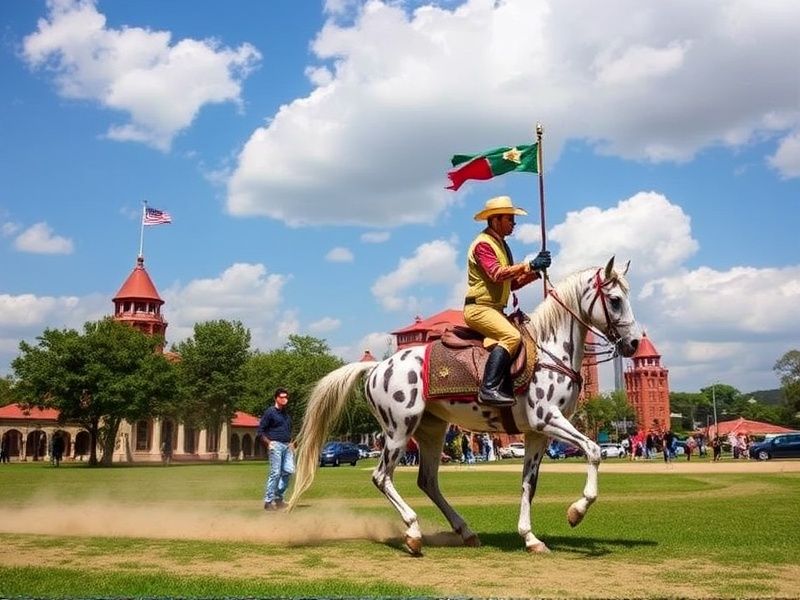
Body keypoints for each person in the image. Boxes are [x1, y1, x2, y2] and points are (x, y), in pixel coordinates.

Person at [464, 195, 551, 407]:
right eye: (510, 219)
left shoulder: (502, 246)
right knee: (511, 337)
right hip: (479, 309)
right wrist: (529, 265)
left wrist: (535, 272)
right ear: (495, 220)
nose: (514, 223)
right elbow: (496, 274)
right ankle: (488, 388)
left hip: (496, 310)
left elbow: (510, 284)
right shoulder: (482, 244)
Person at [257, 387, 295, 511]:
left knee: (288, 471)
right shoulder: (270, 412)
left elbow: (289, 430)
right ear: (276, 398)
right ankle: (268, 502)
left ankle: (278, 498)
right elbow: (260, 431)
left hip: (287, 446)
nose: (285, 399)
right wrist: (269, 443)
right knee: (276, 473)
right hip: (276, 445)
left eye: (286, 397)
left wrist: (292, 443)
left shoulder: (286, 415)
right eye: (282, 397)